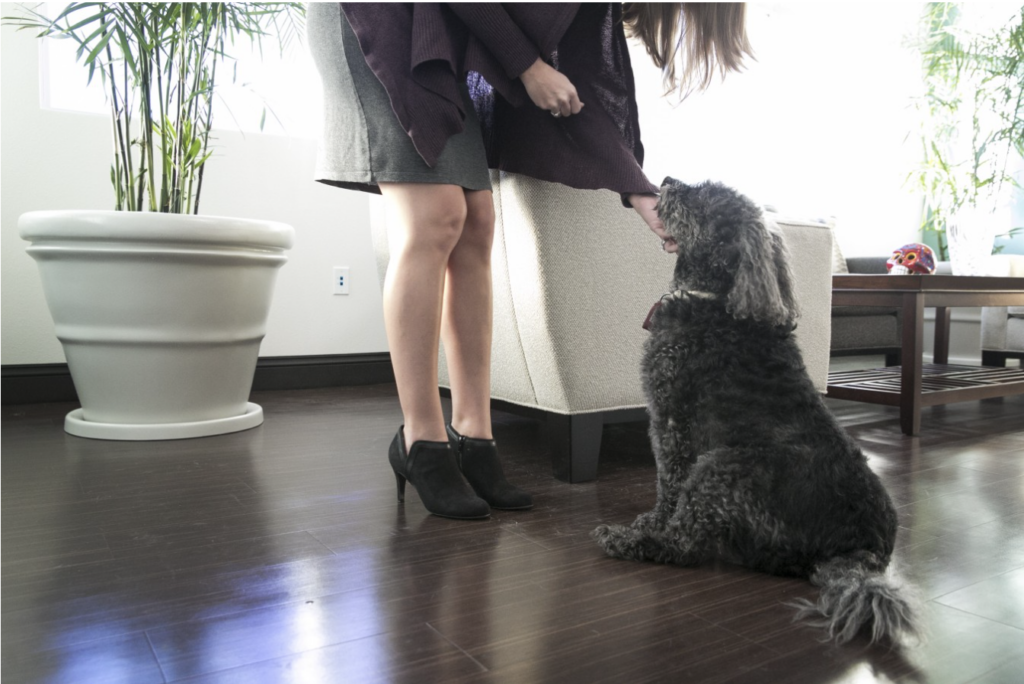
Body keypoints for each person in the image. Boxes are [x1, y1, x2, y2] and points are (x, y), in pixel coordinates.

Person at [307, 3, 752, 520]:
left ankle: (474, 436)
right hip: (381, 17)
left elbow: (579, 92)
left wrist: (638, 191)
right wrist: (527, 66)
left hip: (440, 30)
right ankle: (420, 440)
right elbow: (538, 71)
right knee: (436, 217)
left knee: (476, 225)